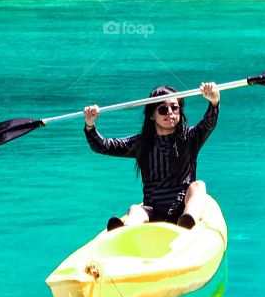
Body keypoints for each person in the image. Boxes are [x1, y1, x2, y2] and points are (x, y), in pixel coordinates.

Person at [83, 82, 220, 231]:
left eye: (175, 107)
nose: (170, 112)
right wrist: (90, 125)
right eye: (163, 109)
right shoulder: (141, 144)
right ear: (152, 116)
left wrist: (214, 102)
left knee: (199, 186)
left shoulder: (190, 138)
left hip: (183, 211)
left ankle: (188, 222)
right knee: (136, 209)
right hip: (152, 211)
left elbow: (209, 123)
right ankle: (124, 230)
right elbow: (102, 146)